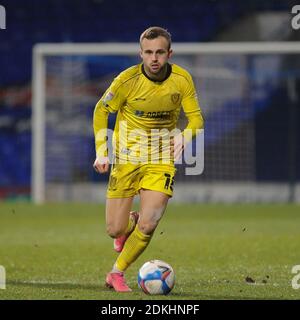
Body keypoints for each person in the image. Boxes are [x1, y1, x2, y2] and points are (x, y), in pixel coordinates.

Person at [93, 26, 204, 292]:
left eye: (160, 53)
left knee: (150, 221)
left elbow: (196, 118)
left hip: (160, 158)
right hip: (127, 157)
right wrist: (101, 150)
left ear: (169, 53)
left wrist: (185, 135)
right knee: (114, 230)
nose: (154, 58)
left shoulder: (182, 80)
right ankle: (127, 224)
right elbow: (100, 111)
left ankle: (116, 272)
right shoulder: (126, 81)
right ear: (140, 53)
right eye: (149, 52)